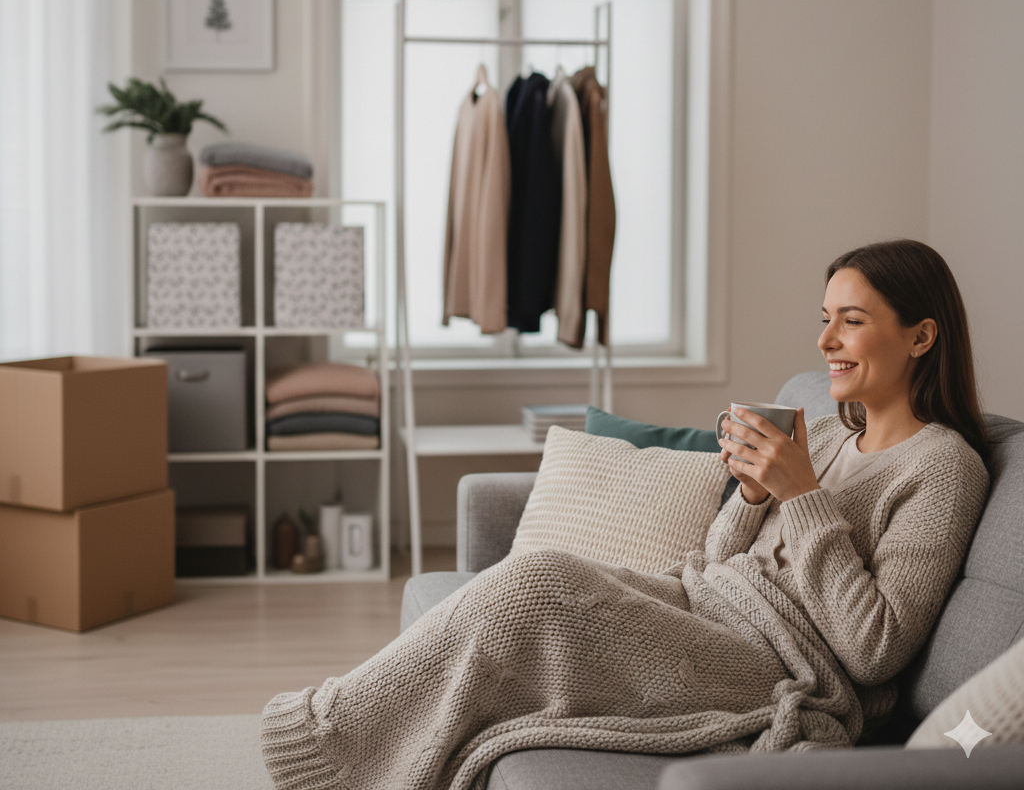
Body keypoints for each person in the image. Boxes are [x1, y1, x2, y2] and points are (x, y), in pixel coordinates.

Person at [261, 239, 989, 790]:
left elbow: (875, 650)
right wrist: (756, 495)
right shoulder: (828, 432)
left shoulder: (943, 467)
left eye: (850, 322)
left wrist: (801, 497)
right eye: (825, 319)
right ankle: (346, 737)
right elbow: (716, 554)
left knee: (539, 584)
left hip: (772, 665)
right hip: (705, 604)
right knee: (545, 577)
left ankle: (327, 738)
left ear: (921, 337)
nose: (825, 341)